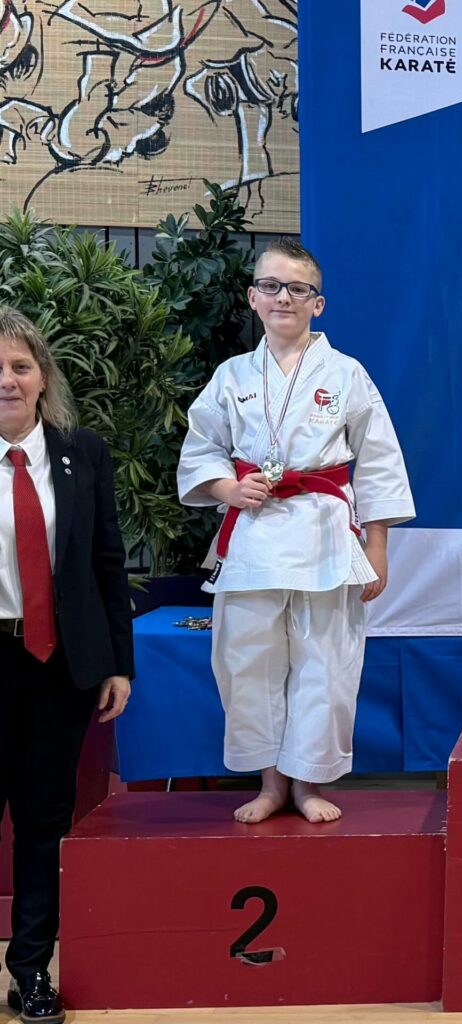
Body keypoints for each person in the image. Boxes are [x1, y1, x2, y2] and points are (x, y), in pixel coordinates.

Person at [178, 238, 414, 825]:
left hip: (324, 532)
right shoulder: (232, 375)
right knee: (247, 660)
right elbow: (202, 448)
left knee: (326, 662)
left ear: (318, 303)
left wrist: (378, 546)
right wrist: (228, 489)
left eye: (297, 289)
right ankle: (270, 783)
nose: (283, 297)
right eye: (271, 286)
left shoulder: (347, 373)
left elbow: (379, 461)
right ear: (252, 297)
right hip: (254, 533)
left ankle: (309, 782)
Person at [0, 307, 133, 1023]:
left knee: (43, 821)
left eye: (20, 366)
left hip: (58, 664)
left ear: (42, 377)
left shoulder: (83, 453)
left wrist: (118, 663)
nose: (7, 380)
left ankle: (31, 971)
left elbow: (107, 562)